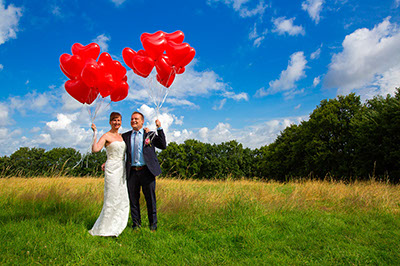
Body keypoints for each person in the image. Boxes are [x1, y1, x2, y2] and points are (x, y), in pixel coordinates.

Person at [122, 111, 167, 231]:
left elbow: (163, 145)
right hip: (132, 172)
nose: (133, 121)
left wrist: (159, 127)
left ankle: (153, 225)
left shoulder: (149, 134)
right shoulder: (125, 136)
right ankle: (136, 225)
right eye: (132, 119)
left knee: (150, 199)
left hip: (147, 171)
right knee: (133, 200)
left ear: (142, 121)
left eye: (136, 119)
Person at [89, 112, 129, 237]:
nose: (116, 123)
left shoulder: (123, 136)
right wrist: (95, 133)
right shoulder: (106, 136)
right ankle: (105, 228)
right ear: (110, 122)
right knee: (111, 197)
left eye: (119, 120)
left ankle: (117, 225)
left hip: (122, 169)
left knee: (122, 198)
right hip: (111, 169)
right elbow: (95, 149)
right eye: (114, 120)